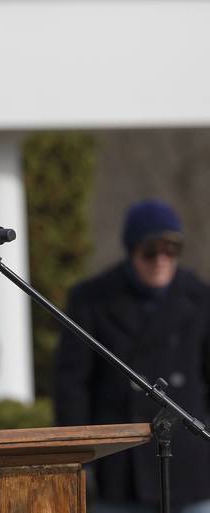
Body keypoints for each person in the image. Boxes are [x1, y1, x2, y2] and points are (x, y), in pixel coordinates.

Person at [54, 199, 210, 513]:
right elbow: (71, 386)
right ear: (131, 251)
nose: (160, 260)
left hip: (188, 464)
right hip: (121, 467)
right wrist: (79, 458)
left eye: (171, 250)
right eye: (150, 251)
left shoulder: (200, 296)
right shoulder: (91, 299)